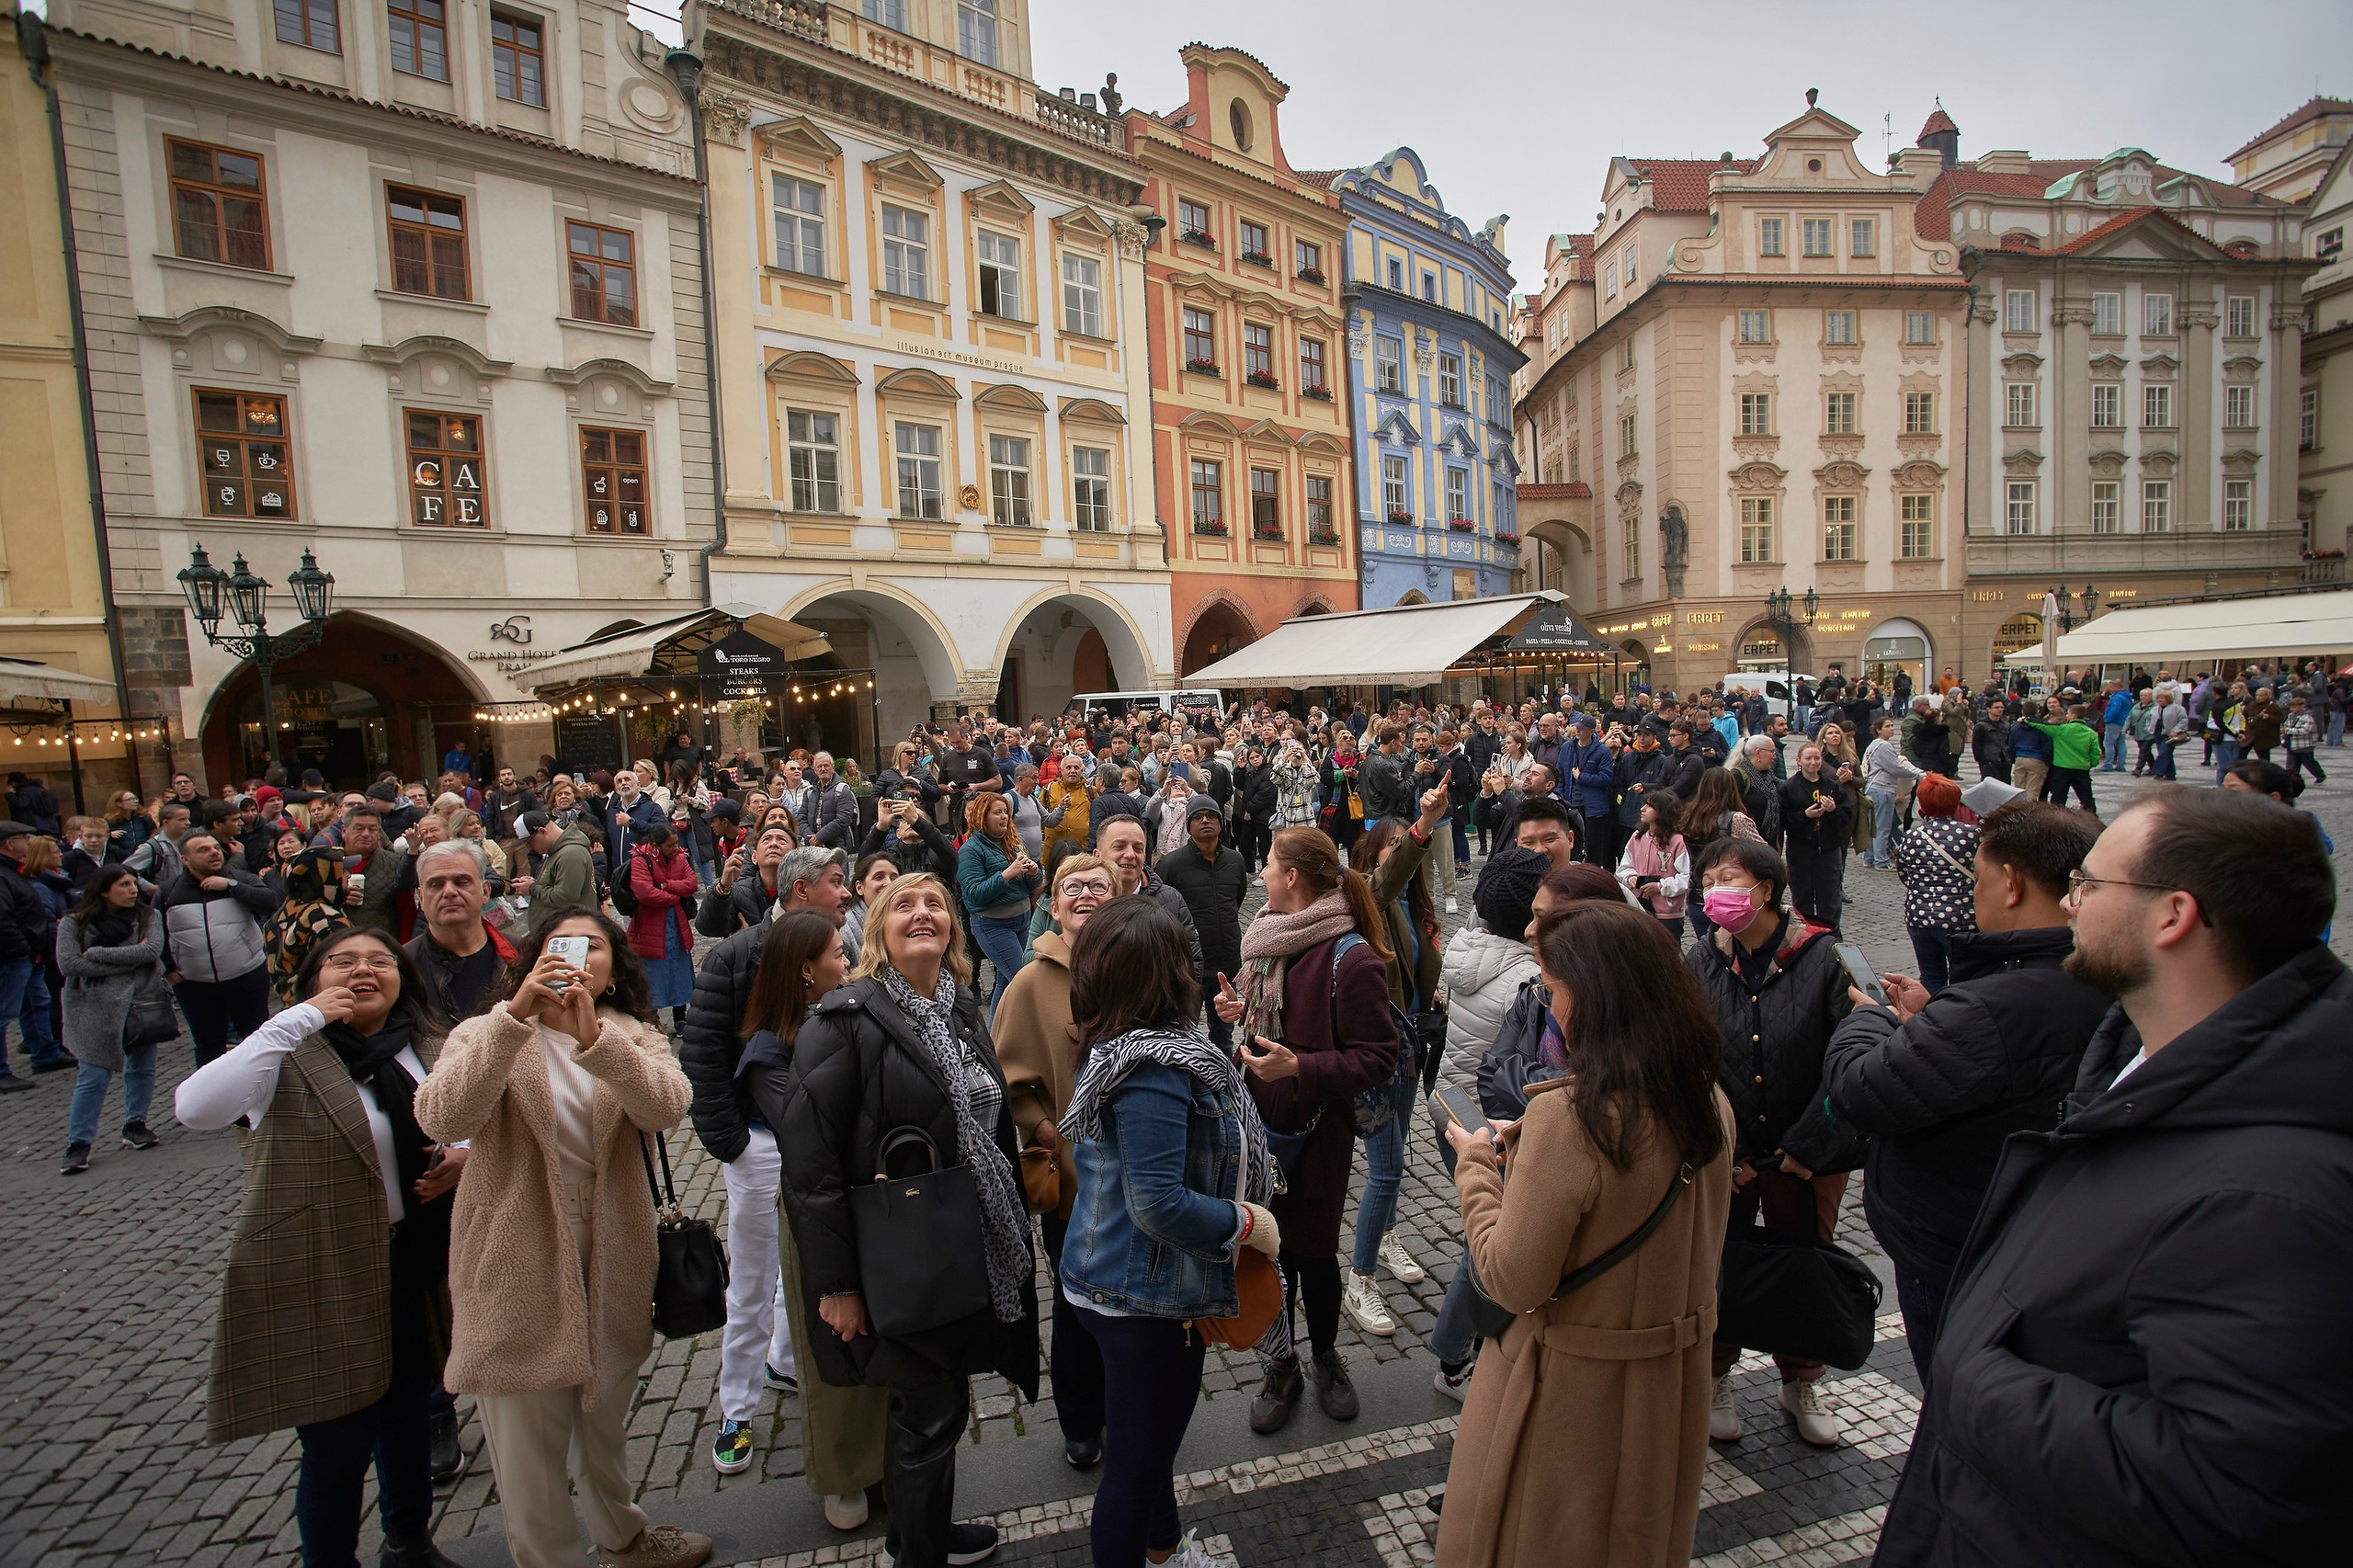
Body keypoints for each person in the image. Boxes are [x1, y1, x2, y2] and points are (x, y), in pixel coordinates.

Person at [1878, 789, 2351, 1566]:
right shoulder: (2143, 1061)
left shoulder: (2269, 1197)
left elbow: (2240, 1491)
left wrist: (1976, 1374)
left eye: (2089, 886)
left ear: (2174, 916)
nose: (2067, 903)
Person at [1437, 901, 1734, 1568]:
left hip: (1570, 1396)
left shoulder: (1569, 1121)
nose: (1550, 1001)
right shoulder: (1708, 1100)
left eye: (1555, 988)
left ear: (1596, 997)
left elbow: (1512, 1278)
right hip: (1668, 1385)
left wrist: (1478, 1168)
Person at [412, 911, 710, 1568]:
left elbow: (665, 1108)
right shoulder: (484, 1033)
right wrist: (513, 1020)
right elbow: (443, 1115)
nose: (577, 959)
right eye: (559, 946)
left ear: (613, 968)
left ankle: (623, 1539)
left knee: (601, 1415)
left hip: (612, 1237)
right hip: (515, 1244)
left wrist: (596, 1041)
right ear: (530, 961)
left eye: (594, 948)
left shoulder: (631, 1033)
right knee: (527, 1440)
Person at [759, 874, 1035, 1568]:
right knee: (929, 1415)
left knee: (935, 1408)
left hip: (962, 1240)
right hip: (899, 1255)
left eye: (935, 904)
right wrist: (836, 1286)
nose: (922, 915)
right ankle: (920, 1555)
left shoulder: (963, 1008)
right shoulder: (843, 1021)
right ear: (878, 927)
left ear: (953, 927)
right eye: (905, 906)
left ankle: (922, 1537)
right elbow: (809, 1170)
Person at [174, 927, 467, 1568]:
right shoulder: (281, 1057)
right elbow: (194, 1107)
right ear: (310, 982)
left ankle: (410, 1542)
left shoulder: (423, 1048)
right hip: (322, 1268)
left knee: (408, 1419)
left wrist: (465, 1156)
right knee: (337, 1444)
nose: (364, 970)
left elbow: (474, 1120)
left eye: (380, 961)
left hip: (413, 1260)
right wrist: (296, 1022)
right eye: (343, 962)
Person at [1823, 802, 2107, 1386]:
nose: (1972, 894)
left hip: (1962, 1249)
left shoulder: (1994, 1006)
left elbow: (1861, 1090)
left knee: (1957, 1405)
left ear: (2011, 884)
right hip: (2051, 1244)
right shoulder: (2097, 974)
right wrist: (1935, 1020)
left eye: (1975, 879)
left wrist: (1872, 1020)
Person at [1056, 899, 1270, 1568]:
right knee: (1134, 1470)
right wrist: (1247, 1223)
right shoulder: (1155, 1067)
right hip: (1142, 1295)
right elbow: (1158, 1204)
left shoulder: (1119, 1045)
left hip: (1108, 1276)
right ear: (1168, 975)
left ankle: (1165, 1552)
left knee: (1143, 1447)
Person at [1218, 826, 1400, 1434]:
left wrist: (1302, 1065)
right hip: (1260, 1119)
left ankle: (1324, 1355)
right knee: (1267, 1251)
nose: (1262, 874)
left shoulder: (1351, 956)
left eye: (1269, 864)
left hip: (1318, 1131)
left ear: (1293, 876)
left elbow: (1380, 1057)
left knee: (1314, 1256)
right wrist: (1239, 1013)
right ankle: (1282, 1364)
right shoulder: (1269, 935)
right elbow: (1267, 1015)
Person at [718, 912, 888, 1520]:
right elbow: (812, 1136)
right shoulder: (767, 1051)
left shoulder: (839, 1018)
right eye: (836, 956)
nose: (847, 963)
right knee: (831, 1345)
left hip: (862, 1202)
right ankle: (843, 1475)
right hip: (819, 1211)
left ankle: (884, 1460)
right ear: (806, 973)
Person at [1688, 836, 1856, 1447]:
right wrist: (1720, 1150)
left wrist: (1808, 1146)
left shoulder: (1823, 956)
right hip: (1727, 1153)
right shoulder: (1702, 959)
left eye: (1726, 878)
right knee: (1718, 1262)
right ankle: (1714, 1376)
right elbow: (1687, 1064)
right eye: (1707, 880)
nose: (1713, 891)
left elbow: (1850, 1059)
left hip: (1803, 1155)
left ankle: (1801, 1378)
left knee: (1801, 1262)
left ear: (1765, 888)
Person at [991, 854, 1115, 1472]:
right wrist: (1047, 1129)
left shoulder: (1136, 966)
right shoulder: (1029, 983)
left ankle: (1127, 1408)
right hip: (1070, 1176)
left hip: (1139, 1175)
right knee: (1075, 1306)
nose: (1086, 894)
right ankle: (1080, 1422)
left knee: (1133, 1303)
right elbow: (1011, 1077)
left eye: (1099, 886)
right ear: (1055, 904)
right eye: (1074, 887)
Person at [1336, 789, 1449, 1337]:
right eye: (1396, 843)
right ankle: (1359, 1277)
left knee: (1399, 1154)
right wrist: (1427, 822)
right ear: (1376, 851)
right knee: (1386, 1168)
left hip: (1410, 1046)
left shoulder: (1415, 906)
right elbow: (1392, 875)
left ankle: (1385, 1237)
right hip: (1378, 1050)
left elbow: (1425, 979)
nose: (1404, 850)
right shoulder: (1369, 898)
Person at [55, 865, 172, 1174]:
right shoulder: (73, 923)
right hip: (92, 1009)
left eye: (134, 883)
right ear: (105, 890)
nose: (133, 889)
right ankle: (78, 1143)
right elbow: (68, 964)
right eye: (124, 884)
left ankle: (136, 1124)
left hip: (140, 1003)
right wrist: (130, 959)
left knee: (142, 1067)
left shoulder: (148, 917)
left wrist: (94, 954)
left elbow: (151, 953)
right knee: (92, 1076)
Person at [158, 828, 280, 1067]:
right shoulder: (169, 891)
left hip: (245, 976)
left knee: (257, 1039)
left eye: (216, 847)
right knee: (207, 1045)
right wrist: (168, 969)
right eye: (204, 850)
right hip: (194, 983)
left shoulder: (240, 878)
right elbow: (157, 931)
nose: (214, 853)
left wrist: (231, 886)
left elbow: (271, 901)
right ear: (185, 859)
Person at [1154, 798, 1247, 1047]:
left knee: (1224, 1035)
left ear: (1220, 822)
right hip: (1188, 966)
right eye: (1198, 817)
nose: (1205, 820)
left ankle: (1224, 1082)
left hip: (1226, 964)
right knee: (1186, 1034)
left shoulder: (1235, 861)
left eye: (1211, 815)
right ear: (1189, 825)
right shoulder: (1171, 865)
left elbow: (1236, 902)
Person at [402, 840, 518, 1025]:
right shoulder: (402, 968)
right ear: (421, 898)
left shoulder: (523, 955)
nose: (449, 892)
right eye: (436, 884)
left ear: (485, 891)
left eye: (461, 882)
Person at [1891, 773, 1978, 994]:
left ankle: (1931, 1019)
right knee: (1963, 978)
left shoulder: (1911, 836)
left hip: (1919, 916)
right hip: (1960, 918)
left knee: (1931, 976)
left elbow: (1904, 874)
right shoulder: (1971, 835)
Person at [957, 792, 1043, 1012]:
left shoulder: (1015, 842)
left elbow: (1032, 886)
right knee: (1024, 978)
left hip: (1023, 920)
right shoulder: (970, 850)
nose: (1004, 817)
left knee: (1005, 982)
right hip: (993, 925)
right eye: (997, 813)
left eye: (1006, 812)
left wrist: (1033, 874)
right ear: (982, 816)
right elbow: (974, 894)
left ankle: (995, 1037)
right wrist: (1006, 875)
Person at [0, 822, 70, 1089]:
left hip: (28, 956)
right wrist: (21, 950)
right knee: (5, 1013)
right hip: (14, 957)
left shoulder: (14, 873)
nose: (28, 843)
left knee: (36, 1004)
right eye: (23, 838)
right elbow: (3, 919)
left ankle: (46, 1053)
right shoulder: (4, 875)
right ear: (8, 844)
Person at [623, 822, 699, 1033]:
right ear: (656, 846)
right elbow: (644, 892)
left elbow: (691, 883)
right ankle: (651, 1016)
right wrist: (674, 897)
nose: (675, 848)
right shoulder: (641, 860)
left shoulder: (680, 857)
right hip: (649, 925)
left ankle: (680, 1016)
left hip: (676, 923)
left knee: (679, 968)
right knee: (652, 972)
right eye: (670, 845)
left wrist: (666, 886)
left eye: (676, 843)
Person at [264, 845, 353, 1006]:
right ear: (324, 876)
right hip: (323, 1008)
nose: (348, 875)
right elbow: (345, 974)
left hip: (292, 1007)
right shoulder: (325, 919)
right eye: (342, 870)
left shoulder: (282, 913)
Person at [1776, 743, 1852, 932]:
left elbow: (1845, 818)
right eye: (1808, 759)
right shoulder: (1789, 788)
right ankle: (1805, 936)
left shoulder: (1832, 786)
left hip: (1828, 848)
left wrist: (1833, 810)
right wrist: (1805, 816)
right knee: (1802, 896)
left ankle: (1831, 935)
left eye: (1817, 758)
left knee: (1830, 898)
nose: (1813, 762)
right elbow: (1784, 820)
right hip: (1801, 848)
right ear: (1799, 761)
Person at [1616, 787, 1691, 939]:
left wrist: (1660, 886)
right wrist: (1631, 877)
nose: (1643, 809)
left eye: (1650, 806)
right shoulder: (1638, 837)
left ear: (1663, 811)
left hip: (1667, 914)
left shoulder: (1677, 841)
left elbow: (1686, 877)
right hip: (1639, 908)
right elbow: (1624, 866)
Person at [1862, 715, 1926, 870]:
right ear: (1878, 730)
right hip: (1883, 788)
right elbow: (1896, 767)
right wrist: (1919, 774)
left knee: (1873, 825)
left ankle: (1869, 857)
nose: (1892, 728)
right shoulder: (1884, 746)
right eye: (1887, 726)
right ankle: (1881, 860)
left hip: (1871, 787)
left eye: (1892, 725)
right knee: (1883, 826)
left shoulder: (1873, 745)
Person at [517, 812, 596, 934]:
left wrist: (533, 888)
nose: (530, 847)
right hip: (558, 931)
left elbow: (564, 899)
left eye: (530, 842)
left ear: (542, 831)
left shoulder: (570, 854)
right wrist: (534, 883)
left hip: (569, 933)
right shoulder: (557, 850)